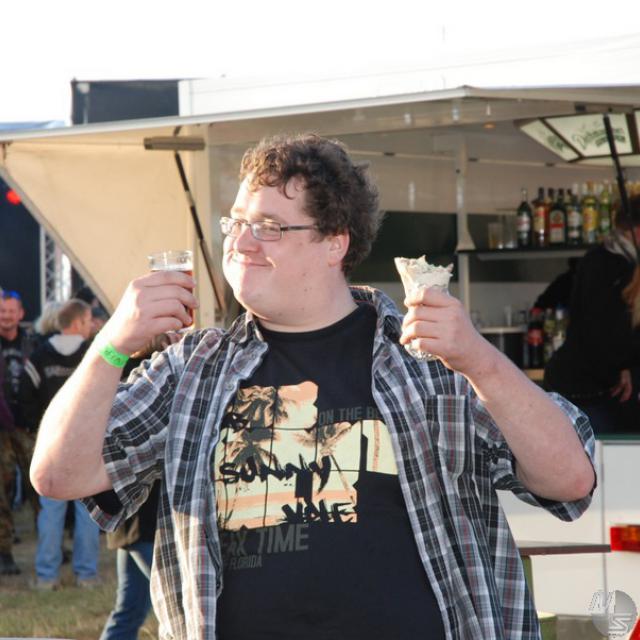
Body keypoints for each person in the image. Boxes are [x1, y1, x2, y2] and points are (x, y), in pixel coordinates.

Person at [31, 134, 596, 640]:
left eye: (269, 227)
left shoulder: (429, 359)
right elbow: (58, 475)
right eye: (236, 223)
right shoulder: (192, 369)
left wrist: (480, 360)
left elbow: (570, 480)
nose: (242, 242)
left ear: (334, 245)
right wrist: (112, 344)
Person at [21, 298, 100, 589]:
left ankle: (46, 576)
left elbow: (25, 396)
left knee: (50, 512)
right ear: (77, 323)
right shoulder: (93, 353)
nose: (92, 325)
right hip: (88, 442)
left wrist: (37, 428)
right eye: (89, 320)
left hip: (50, 443)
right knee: (88, 512)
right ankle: (87, 575)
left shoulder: (40, 355)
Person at [545, 196, 640, 434]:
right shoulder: (613, 265)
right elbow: (604, 331)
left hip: (592, 386)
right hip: (586, 391)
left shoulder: (607, 258)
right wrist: (624, 366)